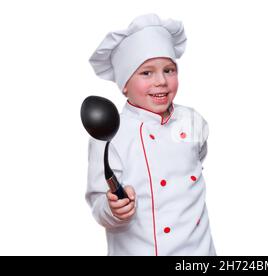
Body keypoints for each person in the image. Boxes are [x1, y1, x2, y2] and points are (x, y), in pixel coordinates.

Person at [86, 13, 216, 256]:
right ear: (124, 83)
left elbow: (199, 160)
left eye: (169, 70)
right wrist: (113, 209)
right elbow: (98, 202)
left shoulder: (193, 121)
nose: (161, 81)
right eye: (146, 73)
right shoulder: (111, 133)